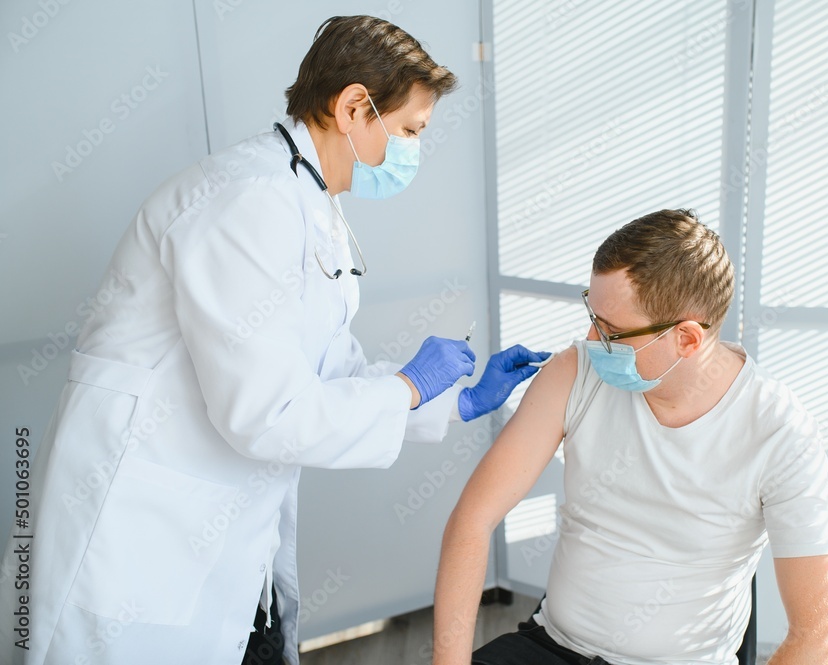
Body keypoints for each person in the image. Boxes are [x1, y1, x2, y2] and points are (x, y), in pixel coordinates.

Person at [0, 15, 547, 665]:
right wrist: (408, 386)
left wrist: (451, 400)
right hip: (135, 545)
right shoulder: (246, 201)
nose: (411, 150)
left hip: (220, 538)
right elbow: (269, 412)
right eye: (408, 130)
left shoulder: (309, 205)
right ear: (352, 107)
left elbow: (327, 370)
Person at [432, 210, 828, 665]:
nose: (590, 339)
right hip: (552, 647)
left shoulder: (778, 431)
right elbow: (472, 521)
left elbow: (820, 637)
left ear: (687, 339)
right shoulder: (574, 373)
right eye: (592, 316)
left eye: (612, 332)